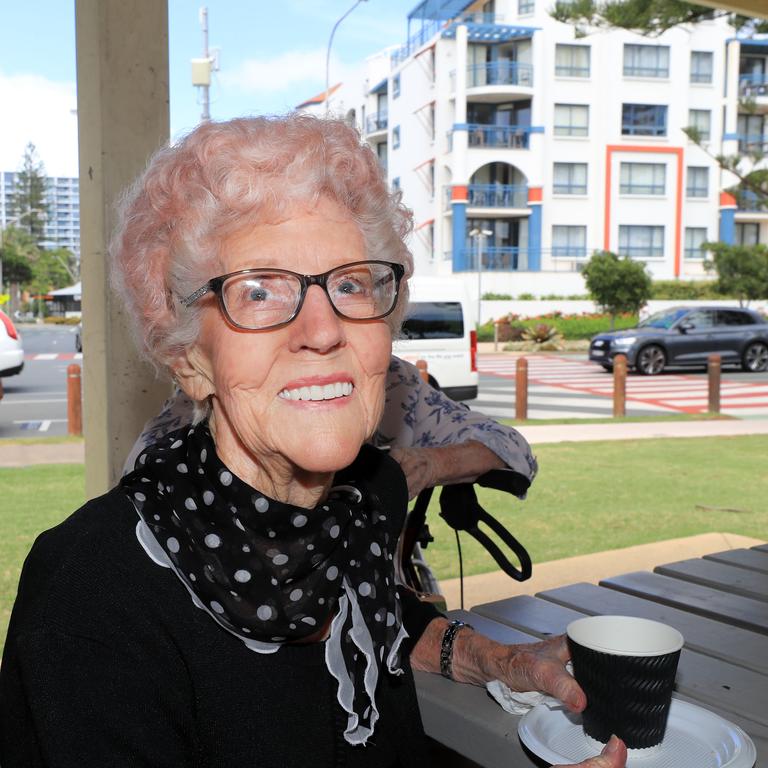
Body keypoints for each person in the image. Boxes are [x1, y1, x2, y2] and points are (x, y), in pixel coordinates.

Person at [0, 115, 625, 768]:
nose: (323, 329)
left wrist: (491, 659)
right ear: (188, 356)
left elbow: (363, 611)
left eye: (351, 282)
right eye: (260, 290)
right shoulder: (95, 601)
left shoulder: (363, 496)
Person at [125, 355, 540, 501]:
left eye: (349, 287)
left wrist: (426, 465)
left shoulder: (392, 385)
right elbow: (139, 481)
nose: (321, 331)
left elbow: (512, 448)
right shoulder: (209, 397)